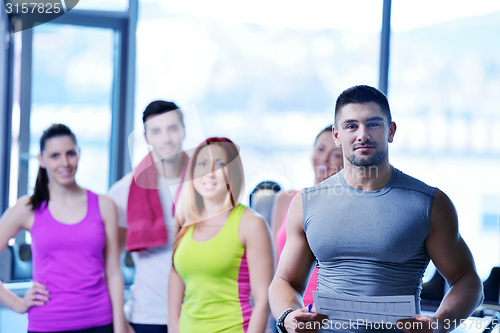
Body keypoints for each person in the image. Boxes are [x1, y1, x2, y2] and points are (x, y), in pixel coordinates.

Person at [268, 85, 484, 333]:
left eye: (373, 124)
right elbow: (285, 280)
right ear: (337, 136)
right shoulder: (307, 202)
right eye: (351, 126)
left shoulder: (430, 203)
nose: (362, 135)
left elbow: (467, 280)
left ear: (390, 131)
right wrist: (286, 316)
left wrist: (438, 323)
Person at [0, 124, 132, 333]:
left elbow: (113, 271)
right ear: (41, 160)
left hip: (99, 321)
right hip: (46, 324)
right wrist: (17, 304)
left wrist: (120, 325)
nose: (65, 163)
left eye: (70, 153)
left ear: (78, 154)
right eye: (54, 156)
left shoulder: (104, 205)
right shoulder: (27, 208)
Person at [168, 137, 274, 333]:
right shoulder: (184, 223)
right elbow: (175, 287)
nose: (210, 172)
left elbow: (263, 301)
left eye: (220, 164)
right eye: (202, 164)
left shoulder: (251, 224)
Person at [108, 101, 189, 333]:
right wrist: (120, 322)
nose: (166, 138)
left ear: (184, 130)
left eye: (172, 128)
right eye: (156, 131)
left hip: (199, 310)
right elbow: (111, 263)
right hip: (147, 315)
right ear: (146, 137)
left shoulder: (206, 186)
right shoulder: (123, 191)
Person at [271, 125, 343, 306]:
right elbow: (273, 263)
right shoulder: (286, 200)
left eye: (335, 154)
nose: (324, 159)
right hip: (287, 310)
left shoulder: (347, 208)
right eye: (320, 149)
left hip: (329, 313)